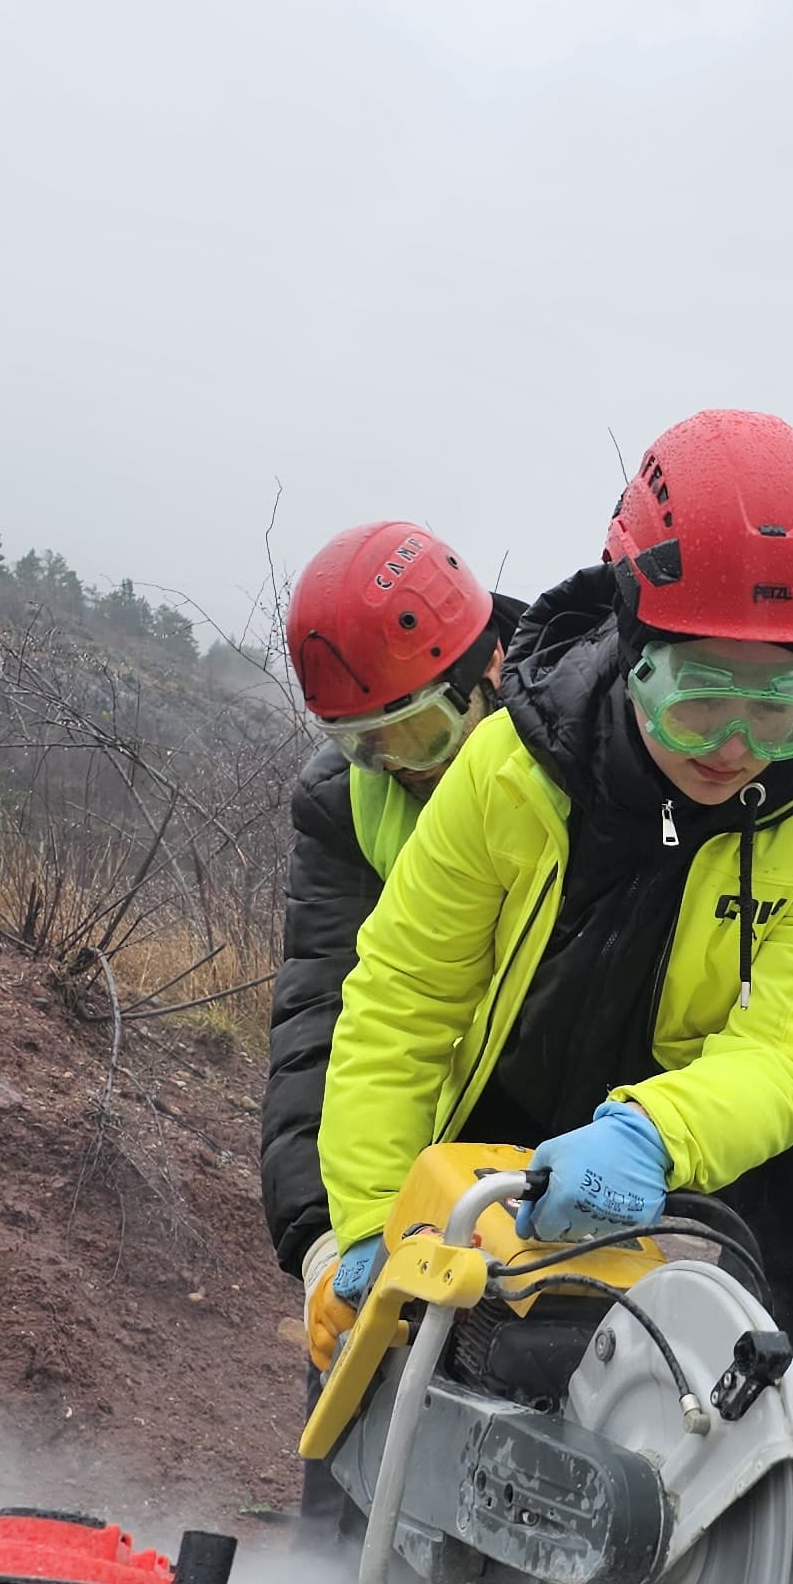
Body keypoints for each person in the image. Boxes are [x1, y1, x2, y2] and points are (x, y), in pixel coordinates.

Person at [309, 409, 793, 1584]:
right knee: (399, 1322)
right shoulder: (508, 768)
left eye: (779, 703)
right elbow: (400, 996)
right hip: (535, 1077)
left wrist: (654, 1128)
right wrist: (367, 1222)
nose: (737, 744)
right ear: (635, 647)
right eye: (700, 699)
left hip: (721, 1101)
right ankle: (360, 1562)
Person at [258, 519, 524, 1287]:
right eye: (368, 745)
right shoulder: (344, 805)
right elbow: (321, 1011)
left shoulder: (578, 742)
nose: (402, 769)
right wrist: (322, 1233)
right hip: (432, 1101)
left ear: (493, 667)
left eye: (421, 734)